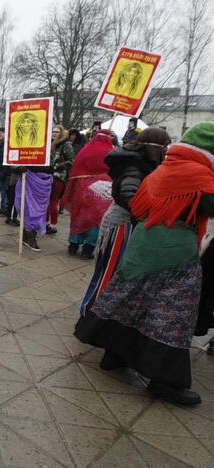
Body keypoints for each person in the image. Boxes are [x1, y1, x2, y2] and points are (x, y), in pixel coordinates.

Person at [75, 122, 214, 406]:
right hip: (174, 253)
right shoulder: (198, 174)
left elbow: (138, 205)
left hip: (142, 244)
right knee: (172, 316)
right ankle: (165, 382)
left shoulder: (165, 169)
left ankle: (114, 355)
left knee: (129, 301)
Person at [79, 127, 170, 316]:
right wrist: (150, 213)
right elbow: (130, 196)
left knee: (114, 271)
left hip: (127, 222)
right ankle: (92, 314)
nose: (166, 151)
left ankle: (101, 313)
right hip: (121, 224)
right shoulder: (134, 166)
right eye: (164, 146)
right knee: (108, 271)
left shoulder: (138, 162)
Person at [60, 129, 114, 259]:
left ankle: (73, 245)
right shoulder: (112, 152)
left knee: (80, 216)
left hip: (82, 188)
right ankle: (88, 249)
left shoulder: (85, 150)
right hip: (103, 190)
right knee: (97, 219)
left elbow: (75, 170)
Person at [16, 163, 53, 252]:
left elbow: (51, 166)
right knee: (27, 210)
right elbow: (12, 161)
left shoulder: (47, 152)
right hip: (28, 180)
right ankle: (29, 238)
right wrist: (18, 167)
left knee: (38, 212)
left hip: (44, 184)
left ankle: (27, 237)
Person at [46, 125, 75, 235]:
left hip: (58, 176)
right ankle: (45, 223)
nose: (54, 134)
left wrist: (57, 166)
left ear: (62, 133)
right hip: (47, 174)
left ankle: (53, 225)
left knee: (53, 200)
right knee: (46, 201)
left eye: (57, 132)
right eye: (53, 132)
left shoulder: (66, 144)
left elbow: (72, 160)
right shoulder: (51, 143)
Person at [0, 128, 12, 216]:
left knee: (5, 191)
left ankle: (5, 208)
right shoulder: (0, 143)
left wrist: (3, 172)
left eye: (2, 133)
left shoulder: (7, 144)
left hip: (6, 172)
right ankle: (3, 207)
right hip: (1, 171)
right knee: (2, 191)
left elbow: (8, 159)